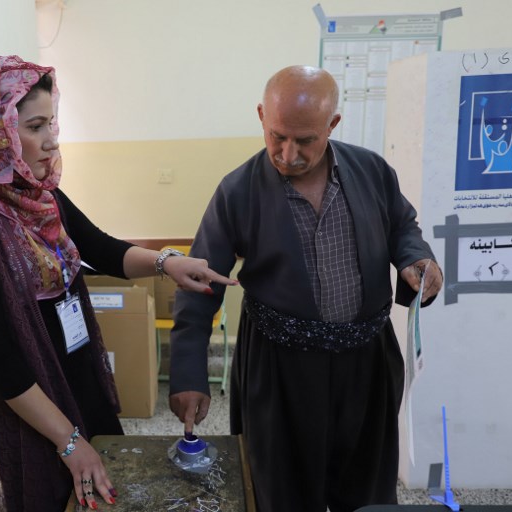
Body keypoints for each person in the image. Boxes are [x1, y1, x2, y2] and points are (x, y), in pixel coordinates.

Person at [0, 55, 235, 512]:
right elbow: (1, 364)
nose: (52, 141)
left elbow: (102, 248)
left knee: (107, 493)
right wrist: (69, 444)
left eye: (51, 122)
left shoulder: (37, 195)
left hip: (80, 379)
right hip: (37, 410)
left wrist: (168, 263)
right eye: (34, 127)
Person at [168, 65, 444, 512]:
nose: (288, 153)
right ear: (261, 115)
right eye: (277, 136)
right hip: (280, 369)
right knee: (281, 490)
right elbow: (199, 285)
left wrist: (416, 258)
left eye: (305, 140)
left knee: (367, 491)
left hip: (365, 364)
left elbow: (401, 225)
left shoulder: (371, 170)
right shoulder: (237, 191)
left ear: (332, 125)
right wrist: (187, 374)